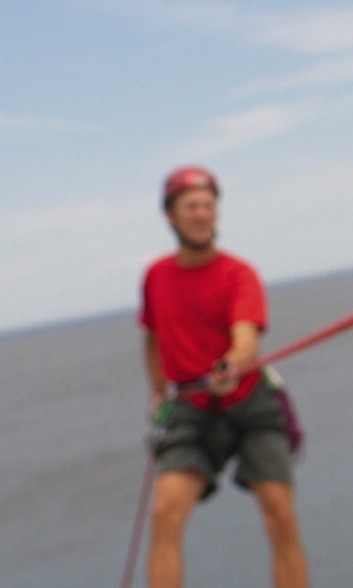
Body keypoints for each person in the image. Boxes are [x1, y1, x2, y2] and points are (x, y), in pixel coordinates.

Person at [140, 165, 308, 588]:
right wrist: (158, 393)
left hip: (248, 400)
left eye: (208, 206)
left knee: (281, 514)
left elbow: (246, 338)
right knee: (164, 513)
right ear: (171, 216)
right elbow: (151, 336)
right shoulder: (157, 277)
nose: (201, 214)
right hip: (191, 408)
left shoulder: (238, 274)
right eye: (191, 206)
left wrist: (231, 366)